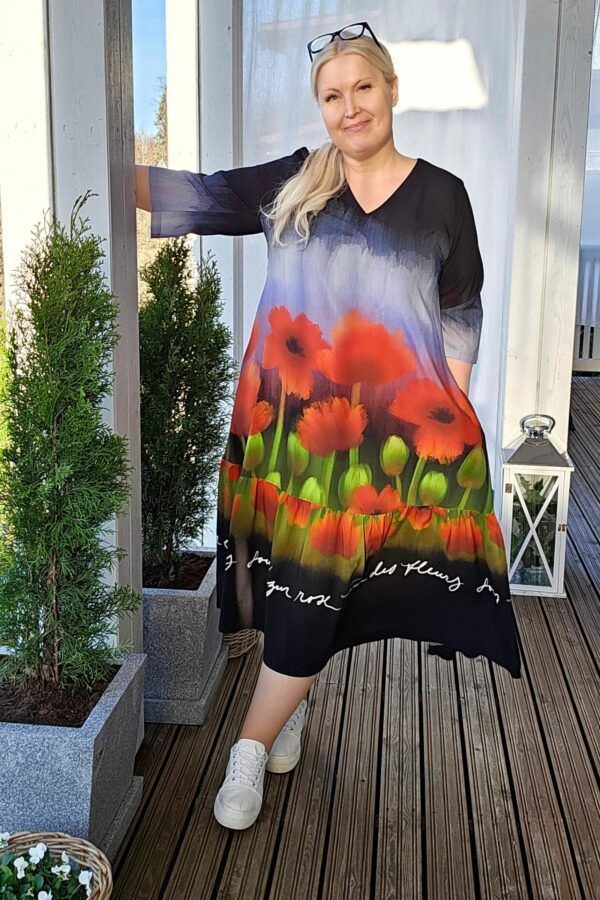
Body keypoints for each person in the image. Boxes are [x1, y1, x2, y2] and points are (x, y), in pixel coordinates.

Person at [135, 21, 522, 832]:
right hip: (289, 435)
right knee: (303, 583)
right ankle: (286, 710)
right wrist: (101, 163)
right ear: (321, 107)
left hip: (386, 445)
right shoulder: (295, 181)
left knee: (327, 584)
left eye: (363, 88)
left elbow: (461, 306)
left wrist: (449, 406)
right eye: (332, 95)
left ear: (391, 91)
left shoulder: (442, 195)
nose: (351, 108)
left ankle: (250, 742)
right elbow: (197, 195)